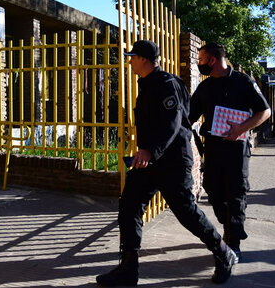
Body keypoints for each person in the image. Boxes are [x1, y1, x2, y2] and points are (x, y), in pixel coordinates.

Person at [96, 40, 236, 287]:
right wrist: (147, 152)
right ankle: (128, 268)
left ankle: (224, 252)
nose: (129, 61)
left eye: (133, 57)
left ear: (145, 60)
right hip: (151, 162)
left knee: (186, 212)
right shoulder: (149, 84)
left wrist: (150, 150)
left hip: (172, 161)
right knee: (129, 205)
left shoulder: (166, 84)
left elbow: (173, 123)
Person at [189, 43, 271, 262]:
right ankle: (229, 224)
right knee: (213, 189)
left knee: (236, 192)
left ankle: (233, 242)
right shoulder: (205, 88)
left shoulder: (244, 82)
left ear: (213, 60)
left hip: (237, 149)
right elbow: (189, 115)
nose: (199, 63)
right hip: (213, 148)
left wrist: (241, 128)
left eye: (201, 59)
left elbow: (265, 111)